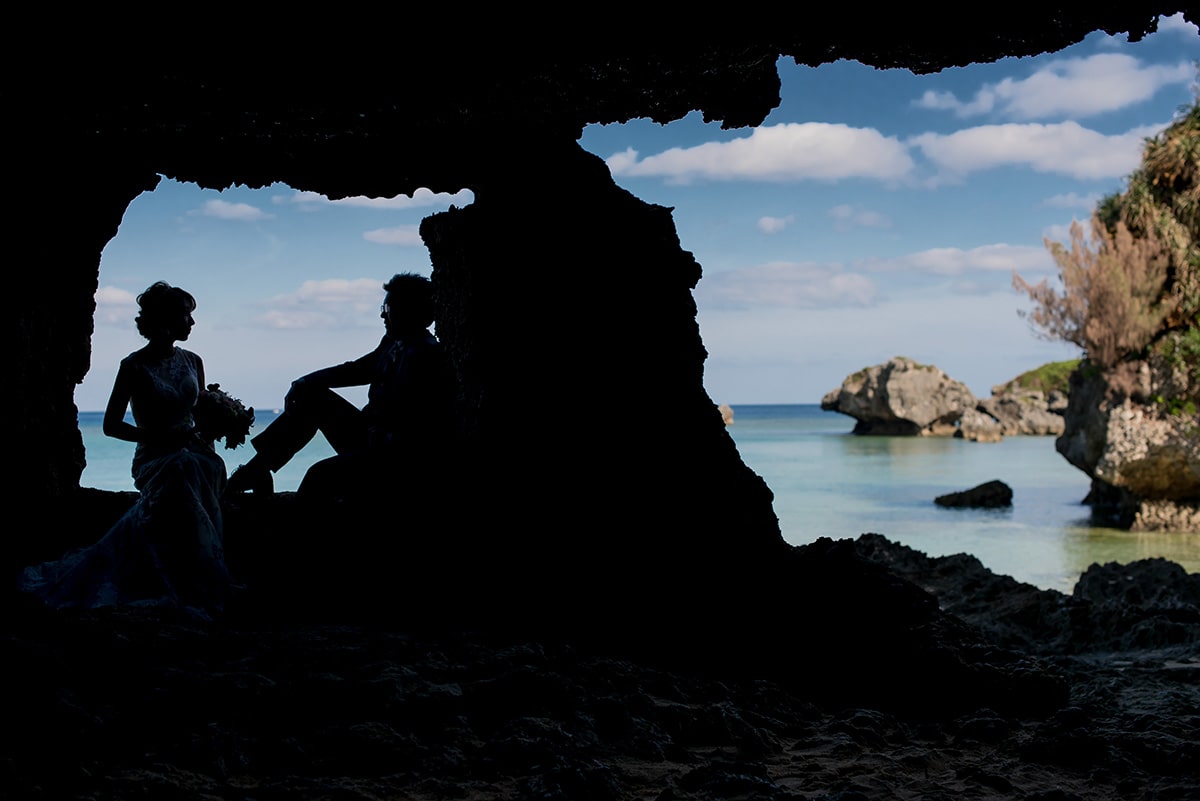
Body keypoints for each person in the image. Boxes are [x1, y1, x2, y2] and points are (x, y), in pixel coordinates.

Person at [19, 282, 237, 617]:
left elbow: (199, 413)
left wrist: (218, 430)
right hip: (156, 455)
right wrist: (157, 438)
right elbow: (111, 425)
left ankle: (205, 573)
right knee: (182, 467)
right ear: (166, 319)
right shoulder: (133, 366)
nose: (192, 323)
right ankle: (182, 580)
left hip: (193, 450)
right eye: (186, 315)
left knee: (203, 465)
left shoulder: (194, 360)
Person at [226, 272, 456, 500]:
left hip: (392, 454)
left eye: (386, 310)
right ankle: (256, 469)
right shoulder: (394, 344)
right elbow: (357, 370)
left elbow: (420, 425)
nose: (381, 316)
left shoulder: (426, 355)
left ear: (408, 310)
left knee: (318, 476)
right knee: (312, 397)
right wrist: (304, 382)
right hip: (370, 436)